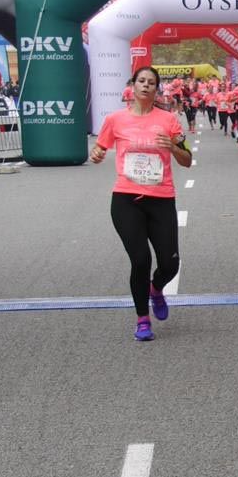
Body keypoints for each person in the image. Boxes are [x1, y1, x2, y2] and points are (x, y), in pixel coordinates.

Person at [88, 66, 192, 341]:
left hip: (161, 199)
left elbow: (187, 159)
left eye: (151, 83)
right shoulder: (115, 120)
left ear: (157, 89)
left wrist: (171, 147)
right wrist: (97, 154)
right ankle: (142, 319)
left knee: (170, 264)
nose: (146, 86)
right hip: (126, 199)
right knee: (141, 259)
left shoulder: (168, 120)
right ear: (132, 86)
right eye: (141, 81)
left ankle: (156, 290)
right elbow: (100, 148)